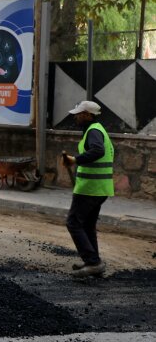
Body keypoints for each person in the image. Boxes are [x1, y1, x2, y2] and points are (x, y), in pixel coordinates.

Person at [62, 100, 114, 278]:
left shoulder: (93, 131)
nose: (76, 116)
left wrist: (75, 160)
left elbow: (97, 151)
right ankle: (94, 262)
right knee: (87, 224)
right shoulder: (98, 130)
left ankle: (92, 262)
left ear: (87, 115)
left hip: (89, 188)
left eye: (79, 113)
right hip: (99, 188)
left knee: (73, 223)